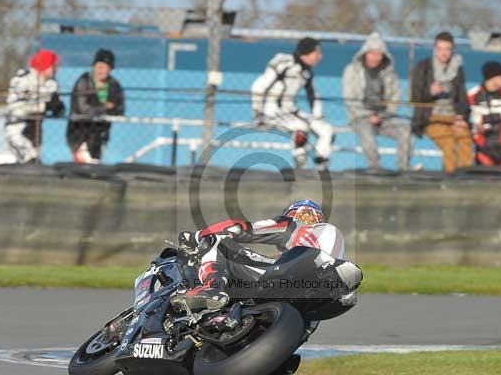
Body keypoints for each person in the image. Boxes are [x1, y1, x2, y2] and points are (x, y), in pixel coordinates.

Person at [172, 199, 358, 313]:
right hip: (321, 291)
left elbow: (241, 228)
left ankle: (211, 287)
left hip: (289, 272)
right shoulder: (334, 235)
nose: (307, 221)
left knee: (218, 241)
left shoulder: (290, 224)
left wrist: (199, 236)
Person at [251, 37, 334, 171]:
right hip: (271, 109)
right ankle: (300, 167)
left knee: (326, 130)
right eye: (317, 53)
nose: (320, 56)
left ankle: (321, 169)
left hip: (290, 109)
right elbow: (258, 87)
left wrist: (318, 116)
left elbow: (313, 95)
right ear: (307, 52)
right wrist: (257, 113)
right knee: (301, 127)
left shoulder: (306, 71)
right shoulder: (283, 63)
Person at [342, 32, 411, 171]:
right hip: (359, 117)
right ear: (365, 54)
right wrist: (368, 115)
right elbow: (349, 99)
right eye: (371, 53)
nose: (375, 57)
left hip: (384, 117)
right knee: (367, 133)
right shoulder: (351, 71)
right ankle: (375, 168)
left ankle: (403, 169)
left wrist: (384, 115)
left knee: (406, 130)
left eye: (379, 54)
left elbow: (395, 97)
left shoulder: (389, 73)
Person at [410, 31, 472, 173]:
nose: (444, 53)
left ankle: (467, 178)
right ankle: (450, 179)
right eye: (440, 48)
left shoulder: (457, 68)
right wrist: (430, 92)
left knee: (465, 140)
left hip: (453, 117)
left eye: (448, 49)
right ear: (435, 49)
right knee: (449, 143)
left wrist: (462, 117)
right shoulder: (423, 67)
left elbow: (462, 96)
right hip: (431, 117)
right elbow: (415, 97)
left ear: (452, 50)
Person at [5, 49, 65, 164]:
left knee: (31, 164)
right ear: (45, 65)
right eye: (54, 66)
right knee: (30, 161)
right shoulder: (23, 80)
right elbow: (14, 108)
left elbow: (56, 103)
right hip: (17, 128)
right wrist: (43, 106)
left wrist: (58, 108)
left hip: (36, 129)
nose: (57, 69)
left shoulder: (52, 83)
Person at [67, 48, 125, 164]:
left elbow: (119, 109)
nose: (101, 70)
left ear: (111, 69)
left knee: (96, 165)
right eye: (98, 66)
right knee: (85, 165)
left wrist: (109, 109)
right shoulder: (84, 81)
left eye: (105, 67)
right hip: (80, 132)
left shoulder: (114, 85)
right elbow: (82, 108)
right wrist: (104, 107)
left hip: (101, 133)